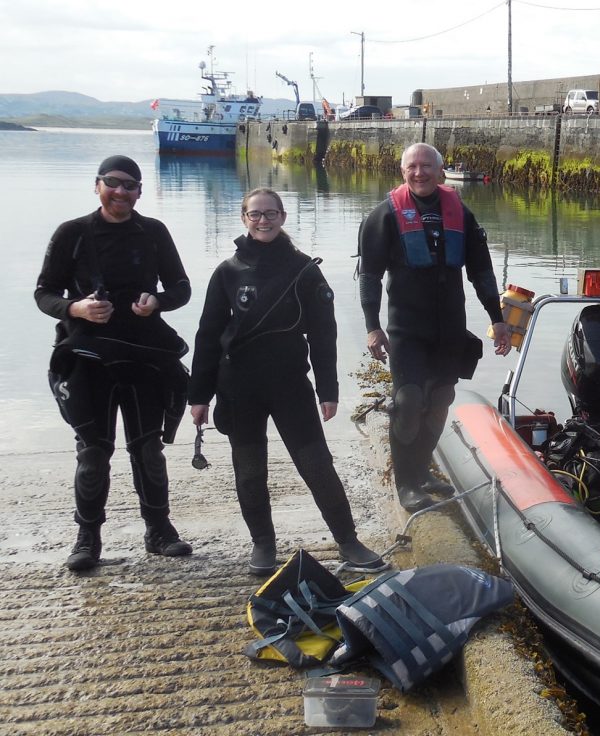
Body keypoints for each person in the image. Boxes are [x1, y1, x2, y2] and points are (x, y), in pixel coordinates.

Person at [188, 188, 385, 576]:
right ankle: (263, 544)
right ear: (244, 219)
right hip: (238, 385)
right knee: (249, 469)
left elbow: (323, 334)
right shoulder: (227, 271)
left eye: (270, 214)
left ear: (282, 217)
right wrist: (199, 395)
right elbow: (207, 335)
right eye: (255, 214)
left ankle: (347, 540)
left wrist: (328, 390)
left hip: (290, 384)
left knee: (316, 464)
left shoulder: (304, 270)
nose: (263, 221)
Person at [35, 155, 193, 572]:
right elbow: (44, 293)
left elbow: (181, 287)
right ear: (98, 185)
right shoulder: (73, 233)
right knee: (93, 453)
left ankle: (159, 530)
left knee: (148, 449)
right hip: (88, 357)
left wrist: (157, 301)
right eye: (113, 183)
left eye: (130, 186)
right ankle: (87, 538)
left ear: (140, 192)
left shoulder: (153, 232)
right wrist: (76, 308)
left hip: (143, 355)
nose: (120, 192)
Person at [358, 143, 512, 512]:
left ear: (441, 172)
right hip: (406, 327)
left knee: (441, 398)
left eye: (427, 166)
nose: (419, 172)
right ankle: (406, 482)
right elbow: (369, 276)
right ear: (402, 171)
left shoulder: (462, 214)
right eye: (412, 166)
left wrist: (497, 318)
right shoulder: (384, 216)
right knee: (408, 400)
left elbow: (481, 272)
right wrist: (372, 327)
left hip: (449, 327)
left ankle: (422, 470)